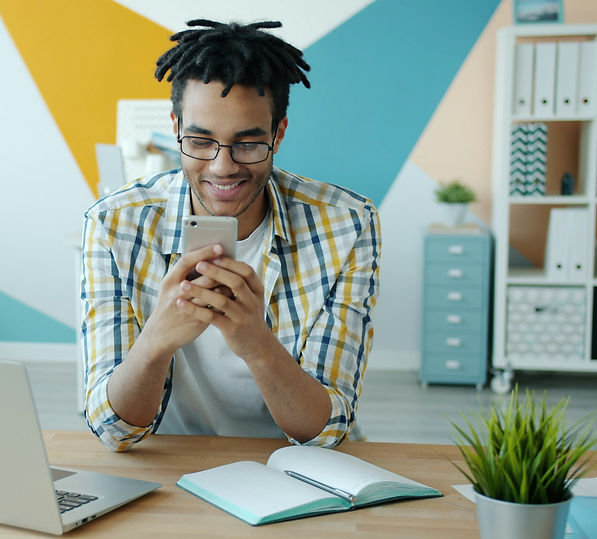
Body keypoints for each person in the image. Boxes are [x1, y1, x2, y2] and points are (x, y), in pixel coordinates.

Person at [81, 19, 381, 452]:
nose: (223, 167)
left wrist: (257, 344)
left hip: (293, 465)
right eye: (200, 141)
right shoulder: (114, 224)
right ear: (175, 128)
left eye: (248, 144)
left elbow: (324, 431)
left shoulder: (347, 224)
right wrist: (156, 341)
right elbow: (114, 431)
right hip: (168, 462)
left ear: (278, 133)